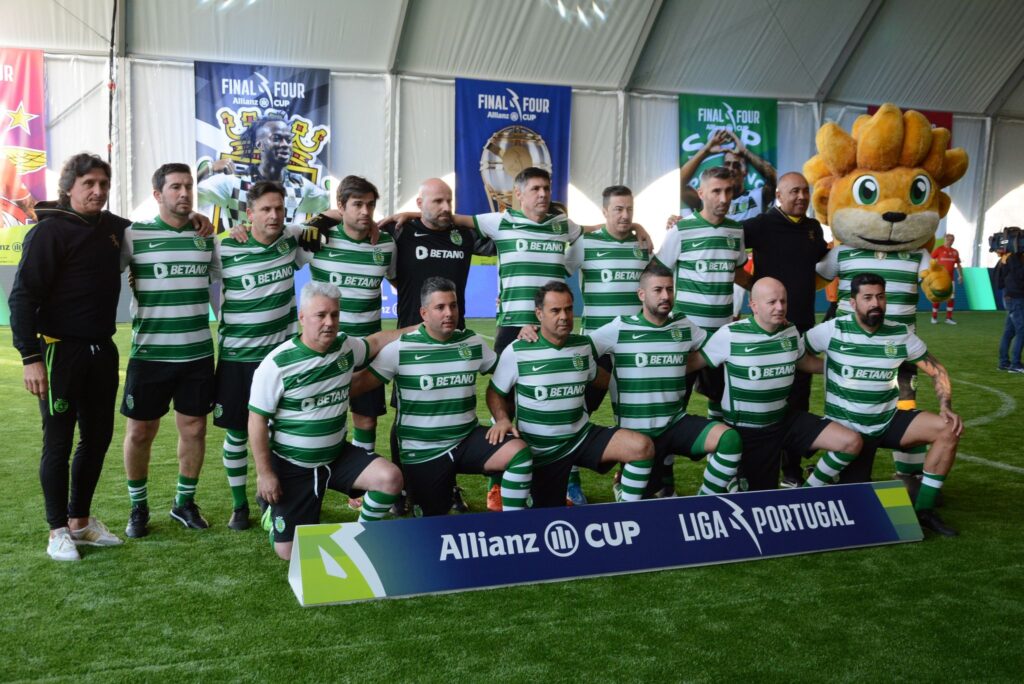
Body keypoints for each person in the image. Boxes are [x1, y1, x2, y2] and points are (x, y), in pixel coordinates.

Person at [8, 152, 212, 560]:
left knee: (98, 438)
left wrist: (196, 219)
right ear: (69, 188)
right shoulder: (47, 233)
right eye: (89, 184)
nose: (98, 191)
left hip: (103, 350)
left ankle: (80, 522)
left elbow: (168, 220)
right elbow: (22, 296)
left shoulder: (115, 229)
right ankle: (57, 530)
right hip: (58, 352)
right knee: (58, 442)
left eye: (103, 184)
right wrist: (30, 355)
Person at [248, 281, 405, 560]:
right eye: (321, 315)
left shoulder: (344, 347)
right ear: (302, 318)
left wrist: (417, 329)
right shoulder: (277, 364)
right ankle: (271, 512)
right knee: (289, 552)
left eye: (334, 314)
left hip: (337, 456)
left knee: (390, 478)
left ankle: (361, 539)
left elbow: (376, 342)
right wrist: (265, 473)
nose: (329, 322)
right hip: (293, 465)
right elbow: (257, 421)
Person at [352, 277, 533, 515]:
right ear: (424, 313)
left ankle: (515, 530)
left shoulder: (473, 342)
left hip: (467, 440)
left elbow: (504, 378)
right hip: (423, 451)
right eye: (440, 307)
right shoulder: (401, 349)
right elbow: (357, 386)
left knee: (519, 454)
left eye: (453, 305)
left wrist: (501, 417)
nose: (449, 313)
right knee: (432, 526)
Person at [803, 273, 962, 536]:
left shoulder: (899, 333)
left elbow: (937, 370)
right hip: (849, 431)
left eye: (880, 296)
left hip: (888, 420)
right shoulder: (833, 329)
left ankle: (924, 509)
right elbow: (797, 355)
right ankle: (831, 476)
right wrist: (829, 367)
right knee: (853, 506)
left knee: (948, 429)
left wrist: (946, 405)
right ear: (853, 302)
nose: (875, 303)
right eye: (867, 298)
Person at [119, 163, 221, 538]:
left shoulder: (206, 238)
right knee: (140, 432)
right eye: (175, 187)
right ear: (157, 194)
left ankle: (184, 503)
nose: (184, 193)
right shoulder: (135, 235)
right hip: (149, 354)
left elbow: (225, 274)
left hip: (196, 353)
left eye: (188, 187)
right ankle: (138, 506)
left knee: (194, 429)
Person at [487, 281, 655, 507]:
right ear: (539, 314)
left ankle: (627, 514)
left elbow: (600, 378)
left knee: (641, 447)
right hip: (541, 450)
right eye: (555, 310)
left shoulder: (583, 346)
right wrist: (503, 420)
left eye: (568, 309)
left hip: (581, 437)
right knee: (545, 514)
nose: (564, 316)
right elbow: (494, 392)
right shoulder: (518, 350)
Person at [689, 278, 863, 491]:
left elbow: (804, 362)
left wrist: (842, 366)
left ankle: (807, 494)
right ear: (753, 305)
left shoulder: (789, 332)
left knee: (850, 442)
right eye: (772, 302)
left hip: (784, 422)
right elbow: (695, 363)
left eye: (783, 301)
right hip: (746, 432)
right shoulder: (730, 335)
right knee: (755, 501)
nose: (780, 307)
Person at [588, 262, 744, 496]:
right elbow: (575, 351)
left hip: (675, 424)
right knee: (640, 509)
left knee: (729, 440)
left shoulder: (683, 326)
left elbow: (719, 345)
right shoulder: (619, 329)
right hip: (637, 434)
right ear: (641, 295)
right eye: (658, 290)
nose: (665, 296)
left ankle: (703, 503)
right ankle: (622, 486)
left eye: (670, 289)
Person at [213, 181, 305, 531]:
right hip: (238, 358)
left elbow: (331, 219)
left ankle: (272, 497)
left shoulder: (291, 240)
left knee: (281, 432)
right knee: (237, 432)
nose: (274, 215)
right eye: (266, 209)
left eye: (279, 208)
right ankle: (239, 506)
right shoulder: (224, 247)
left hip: (280, 359)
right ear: (249, 214)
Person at [815, 216, 933, 486]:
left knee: (905, 408)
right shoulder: (842, 252)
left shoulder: (917, 255)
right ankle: (833, 468)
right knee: (844, 412)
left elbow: (936, 287)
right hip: (851, 349)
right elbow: (815, 278)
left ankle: (909, 477)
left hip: (901, 350)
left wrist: (937, 283)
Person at [562, 184, 650, 502]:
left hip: (634, 349)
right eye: (618, 209)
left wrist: (642, 229)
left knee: (630, 417)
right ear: (604, 212)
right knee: (576, 411)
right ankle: (568, 480)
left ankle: (625, 478)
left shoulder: (643, 246)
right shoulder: (586, 243)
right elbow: (557, 274)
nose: (625, 215)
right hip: (596, 347)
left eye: (629, 210)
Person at [742, 171, 830, 486]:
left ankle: (791, 468)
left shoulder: (812, 228)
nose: (802, 197)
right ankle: (750, 467)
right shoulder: (761, 224)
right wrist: (753, 287)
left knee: (798, 400)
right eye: (794, 191)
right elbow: (724, 240)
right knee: (764, 397)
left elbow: (824, 261)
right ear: (779, 195)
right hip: (767, 329)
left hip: (802, 327)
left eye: (805, 191)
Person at [307, 176, 395, 469]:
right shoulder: (318, 239)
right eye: (357, 204)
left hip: (367, 348)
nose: (365, 212)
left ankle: (360, 480)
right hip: (323, 349)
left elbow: (397, 278)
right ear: (341, 206)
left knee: (366, 418)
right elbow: (278, 231)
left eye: (370, 205)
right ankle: (311, 477)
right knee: (315, 418)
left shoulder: (385, 245)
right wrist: (321, 218)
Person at [656, 166, 753, 425]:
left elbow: (738, 271)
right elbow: (658, 273)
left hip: (721, 333)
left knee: (720, 397)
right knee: (676, 399)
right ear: (701, 193)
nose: (723, 199)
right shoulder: (680, 230)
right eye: (716, 191)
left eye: (728, 191)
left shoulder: (736, 231)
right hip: (686, 333)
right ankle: (663, 461)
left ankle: (719, 455)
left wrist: (764, 291)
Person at [197, 112, 329, 231]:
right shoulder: (234, 182)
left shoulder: (300, 185)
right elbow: (188, 196)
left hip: (283, 255)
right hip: (244, 254)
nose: (285, 144)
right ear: (259, 145)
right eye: (276, 138)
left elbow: (334, 205)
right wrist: (208, 169)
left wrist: (311, 229)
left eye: (288, 140)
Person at [996, 250, 1024, 372]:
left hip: (1011, 297)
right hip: (1016, 298)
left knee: (1009, 331)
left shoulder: (1005, 258)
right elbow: (1020, 276)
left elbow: (999, 279)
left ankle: (1004, 363)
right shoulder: (1015, 259)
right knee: (1021, 330)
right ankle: (1015, 364)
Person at [930, 234, 964, 325]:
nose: (950, 241)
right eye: (948, 239)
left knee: (951, 298)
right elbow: (930, 260)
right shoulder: (939, 249)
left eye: (952, 239)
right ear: (945, 240)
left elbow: (958, 265)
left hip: (951, 279)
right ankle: (934, 317)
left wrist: (960, 276)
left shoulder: (955, 252)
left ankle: (948, 318)